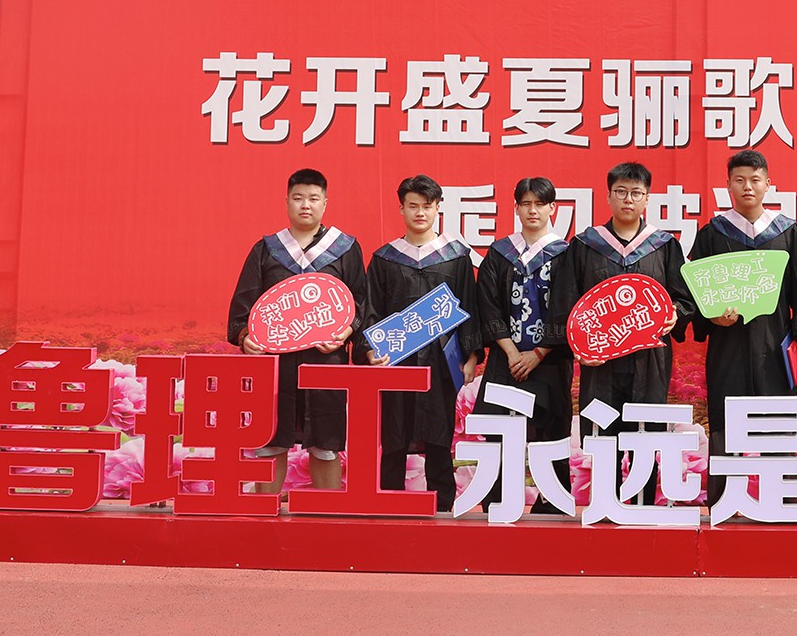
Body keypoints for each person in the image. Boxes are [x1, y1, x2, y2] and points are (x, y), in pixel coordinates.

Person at [547, 160, 696, 504]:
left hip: (650, 360)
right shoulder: (585, 245)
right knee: (604, 436)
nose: (628, 199)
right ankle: (606, 508)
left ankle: (643, 509)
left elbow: (685, 297)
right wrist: (578, 348)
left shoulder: (664, 245)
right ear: (609, 196)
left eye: (636, 193)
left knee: (646, 435)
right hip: (602, 364)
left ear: (647, 199)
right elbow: (566, 303)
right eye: (621, 192)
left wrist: (676, 313)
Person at [226, 167, 367, 494]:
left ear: (325, 203)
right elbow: (243, 305)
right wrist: (246, 337)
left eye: (313, 198)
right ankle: (263, 516)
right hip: (276, 364)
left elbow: (361, 301)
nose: (306, 205)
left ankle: (327, 517)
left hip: (325, 361)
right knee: (271, 441)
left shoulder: (345, 248)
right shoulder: (267, 249)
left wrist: (347, 331)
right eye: (298, 198)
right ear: (287, 201)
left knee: (326, 444)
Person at [688, 149, 797, 463]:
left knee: (779, 426)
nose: (747, 187)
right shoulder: (712, 233)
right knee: (726, 428)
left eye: (755, 180)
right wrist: (712, 318)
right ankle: (724, 494)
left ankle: (780, 492)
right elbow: (695, 292)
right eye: (739, 180)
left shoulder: (787, 232)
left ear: (768, 184)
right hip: (727, 346)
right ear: (728, 185)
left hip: (775, 345)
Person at [366, 174, 479, 513]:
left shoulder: (455, 257)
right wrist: (370, 349)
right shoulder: (385, 259)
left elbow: (469, 306)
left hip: (441, 362)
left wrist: (472, 355)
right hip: (396, 361)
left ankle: (442, 505)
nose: (420, 213)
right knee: (394, 433)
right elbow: (371, 310)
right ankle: (388, 503)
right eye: (412, 206)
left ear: (438, 208)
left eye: (427, 206)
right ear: (401, 209)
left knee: (439, 433)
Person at [472, 176, 573, 512]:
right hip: (506, 359)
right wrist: (513, 352)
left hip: (550, 361)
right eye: (526, 203)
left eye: (540, 204)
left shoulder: (566, 254)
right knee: (500, 430)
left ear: (552, 208)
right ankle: (499, 501)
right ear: (516, 208)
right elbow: (487, 303)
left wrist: (539, 352)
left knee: (551, 431)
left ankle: (552, 502)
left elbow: (567, 305)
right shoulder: (500, 253)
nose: (533, 210)